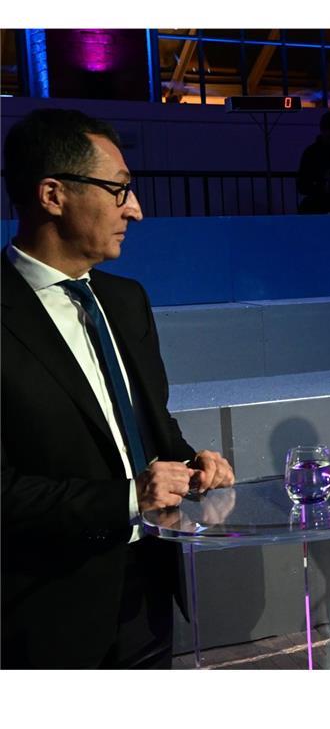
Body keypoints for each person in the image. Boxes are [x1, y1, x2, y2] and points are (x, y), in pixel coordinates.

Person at [1, 108, 235, 668]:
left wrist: (191, 460)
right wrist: (130, 497)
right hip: (46, 609)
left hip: (150, 584)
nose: (136, 208)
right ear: (53, 194)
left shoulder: (127, 300)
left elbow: (149, 424)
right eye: (119, 189)